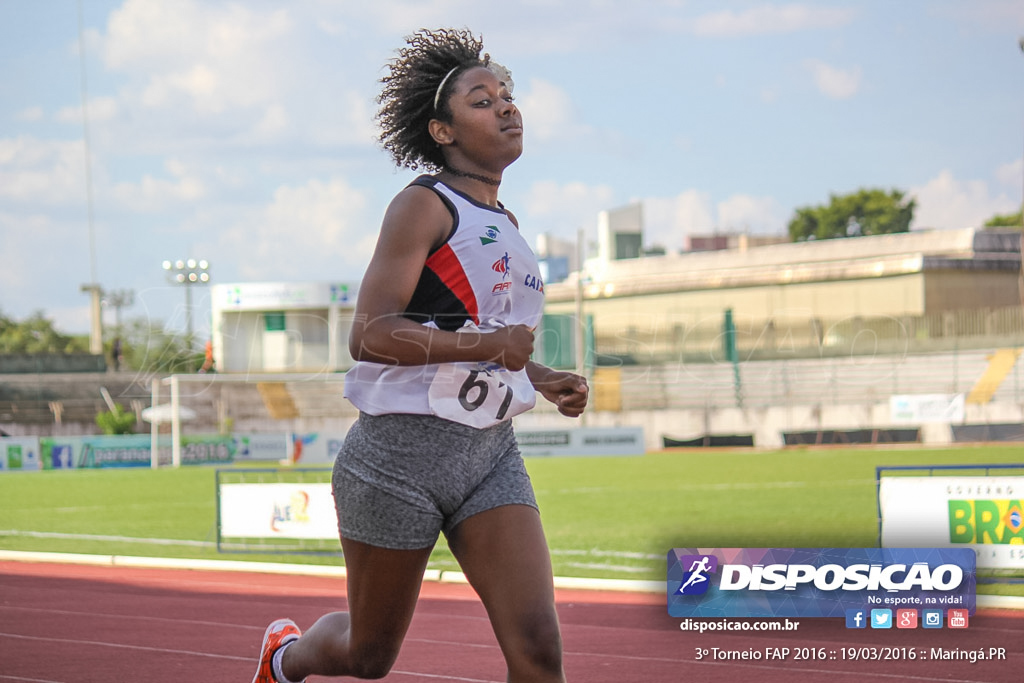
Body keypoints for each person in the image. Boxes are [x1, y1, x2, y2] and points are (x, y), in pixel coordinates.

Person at [252, 27, 588, 683]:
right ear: (442, 130)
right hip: (396, 460)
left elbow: (490, 343)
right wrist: (490, 343)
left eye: (508, 95)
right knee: (370, 656)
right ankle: (285, 657)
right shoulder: (423, 206)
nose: (507, 107)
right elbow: (370, 334)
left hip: (490, 456)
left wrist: (542, 376)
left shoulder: (512, 227)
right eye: (483, 100)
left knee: (539, 648)